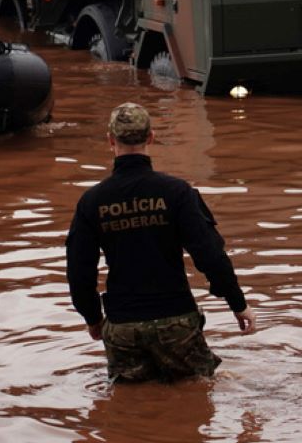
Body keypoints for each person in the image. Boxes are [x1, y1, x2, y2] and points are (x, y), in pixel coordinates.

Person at [66, 102, 256, 383]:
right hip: (176, 321)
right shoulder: (177, 193)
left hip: (123, 327)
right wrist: (238, 304)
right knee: (199, 396)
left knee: (128, 408)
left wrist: (93, 318)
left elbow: (79, 271)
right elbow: (210, 255)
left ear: (110, 141)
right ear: (151, 137)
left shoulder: (92, 202)